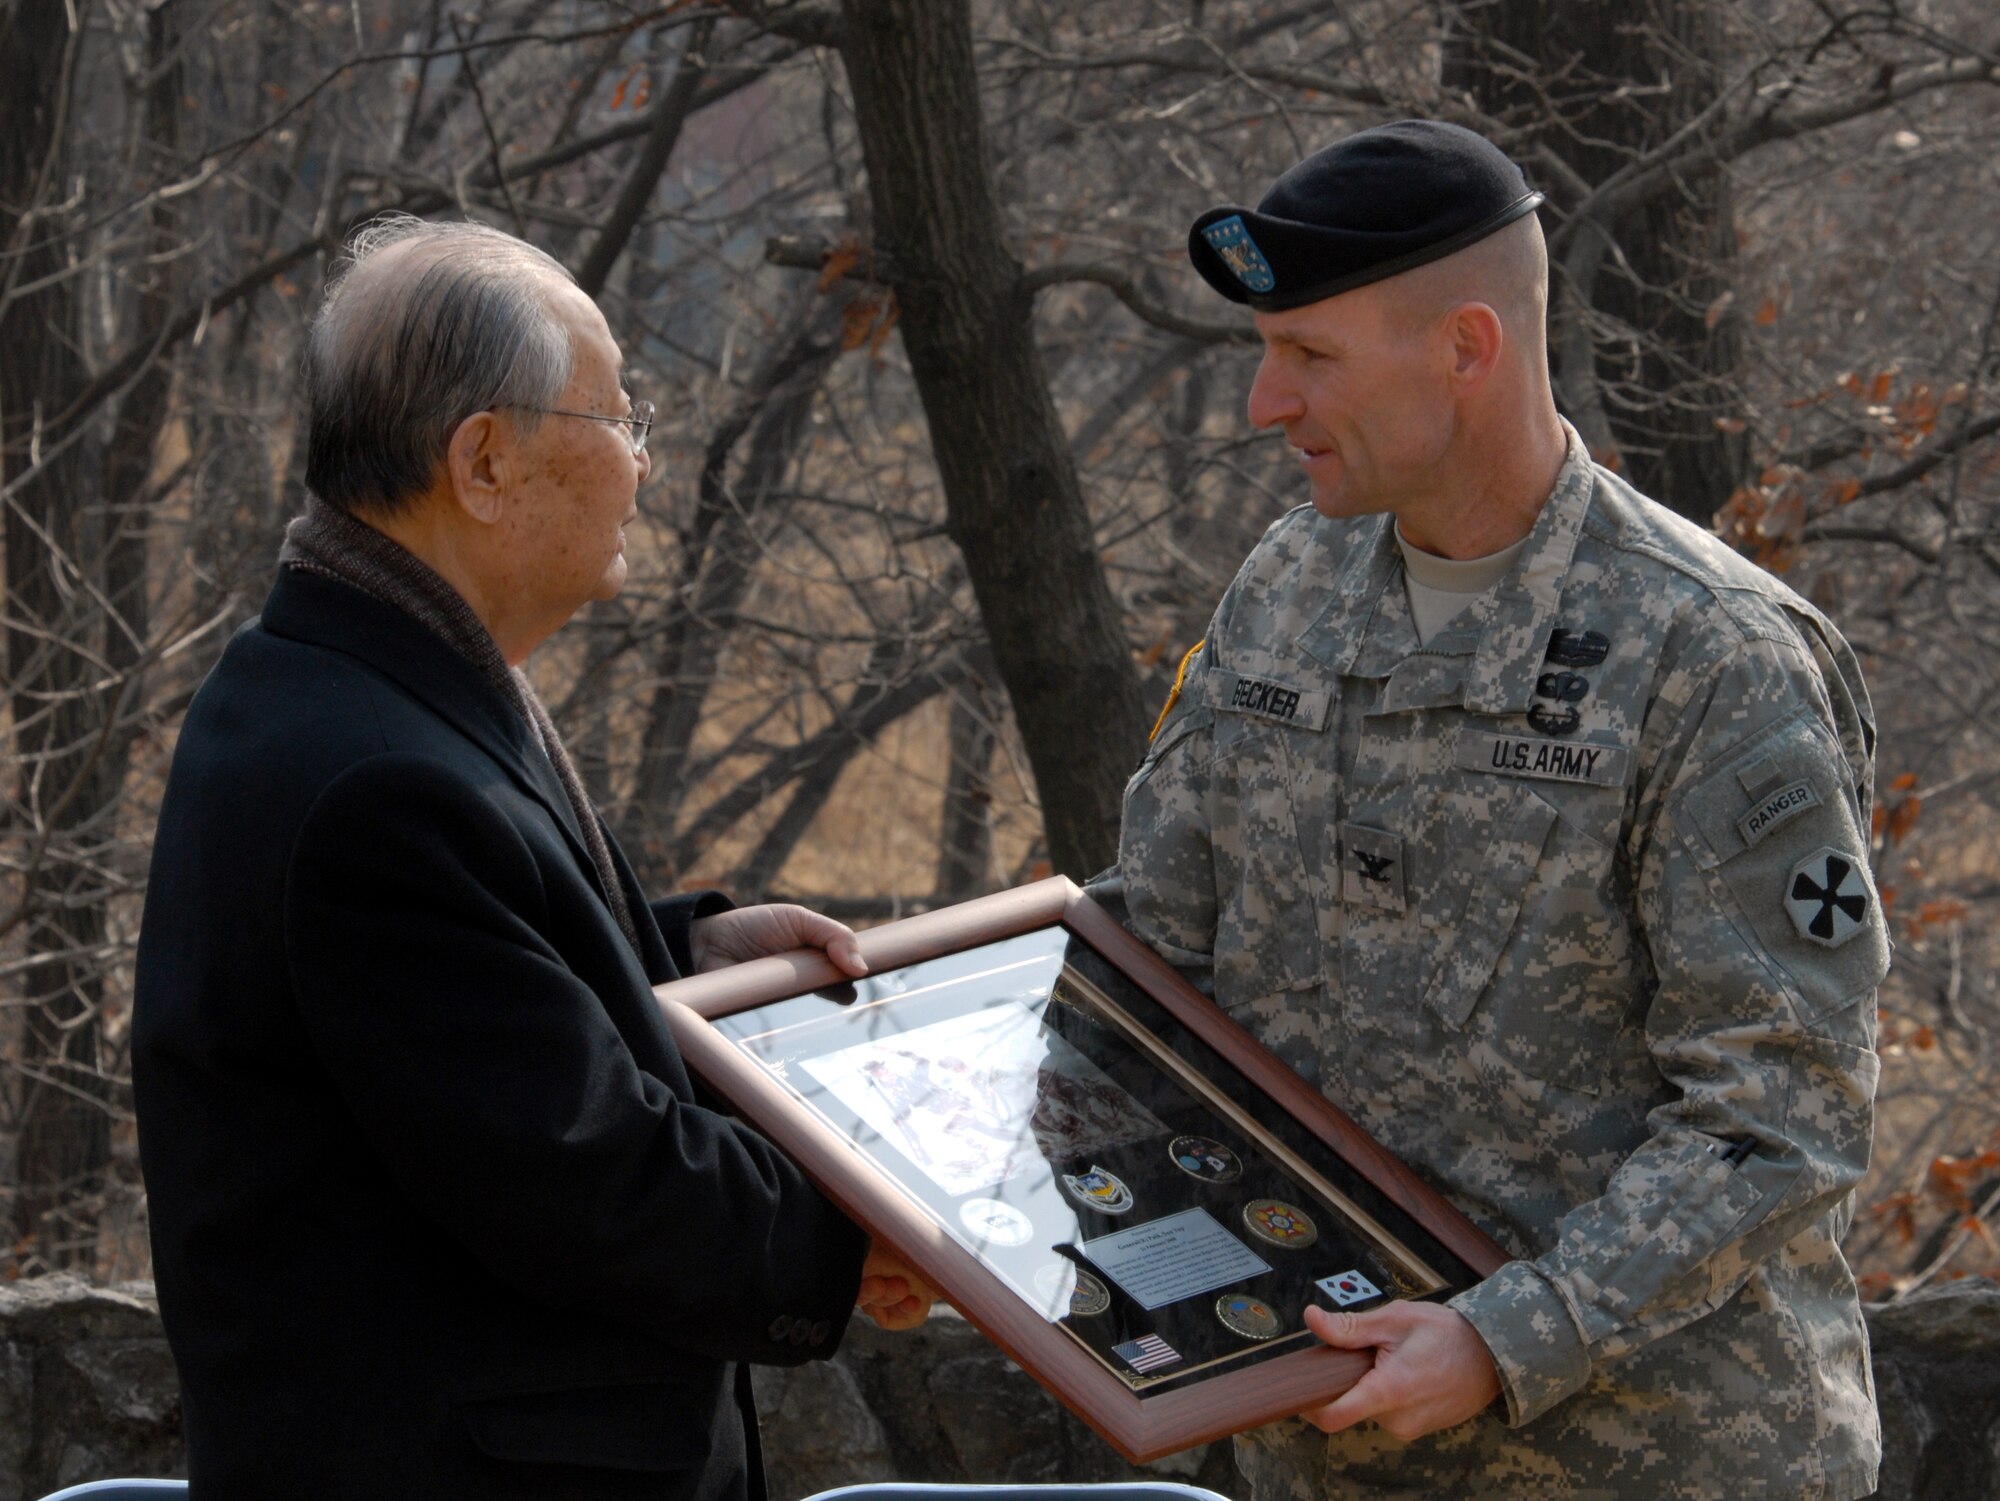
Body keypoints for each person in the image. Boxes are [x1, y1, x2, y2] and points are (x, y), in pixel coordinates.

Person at [1116, 120, 1886, 1500]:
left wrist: (1505, 1336)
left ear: (1467, 349)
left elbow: (1780, 1103)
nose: (1265, 405)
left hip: (1651, 1464)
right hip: (1330, 1452)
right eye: (1266, 354)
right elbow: (1156, 956)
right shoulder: (1287, 589)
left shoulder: (1707, 652)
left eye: (1310, 357)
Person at [132, 217, 933, 1500]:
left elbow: (458, 1015)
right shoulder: (374, 778)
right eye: (617, 422)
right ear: (485, 460)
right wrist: (875, 1226)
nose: (642, 467)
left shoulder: (333, 680)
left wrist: (677, 960)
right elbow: (585, 1172)